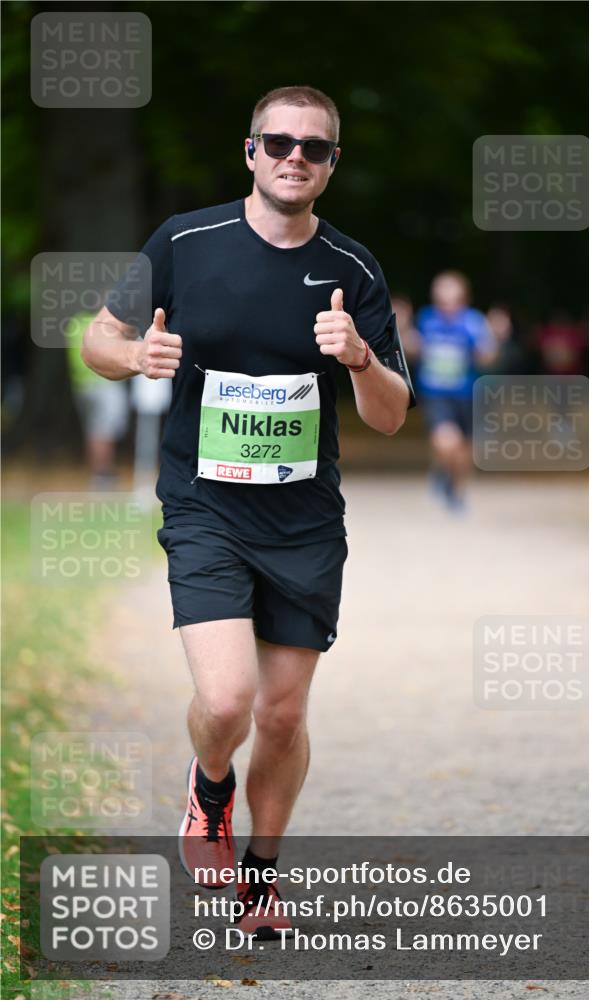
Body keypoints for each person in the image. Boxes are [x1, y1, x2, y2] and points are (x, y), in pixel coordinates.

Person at [81, 85, 414, 940]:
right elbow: (96, 339)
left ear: (331, 164)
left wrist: (359, 358)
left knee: (283, 714)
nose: (294, 157)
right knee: (227, 701)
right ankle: (209, 784)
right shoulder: (185, 241)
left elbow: (390, 414)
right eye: (278, 142)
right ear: (250, 151)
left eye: (314, 148)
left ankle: (260, 877)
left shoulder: (352, 268)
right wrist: (136, 355)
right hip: (205, 507)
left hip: (304, 521)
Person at [414, 271, 495, 511]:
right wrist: (403, 331)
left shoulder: (474, 322)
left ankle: (454, 488)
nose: (447, 305)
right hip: (436, 395)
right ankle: (444, 472)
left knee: (464, 451)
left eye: (452, 299)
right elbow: (413, 350)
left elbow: (486, 359)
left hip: (467, 396)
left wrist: (492, 340)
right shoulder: (426, 319)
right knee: (447, 441)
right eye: (442, 299)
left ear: (463, 299)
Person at [66, 310, 129, 489]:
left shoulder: (75, 322)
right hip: (102, 383)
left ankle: (96, 473)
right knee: (104, 430)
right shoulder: (102, 325)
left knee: (93, 431)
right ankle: (103, 474)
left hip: (82, 385)